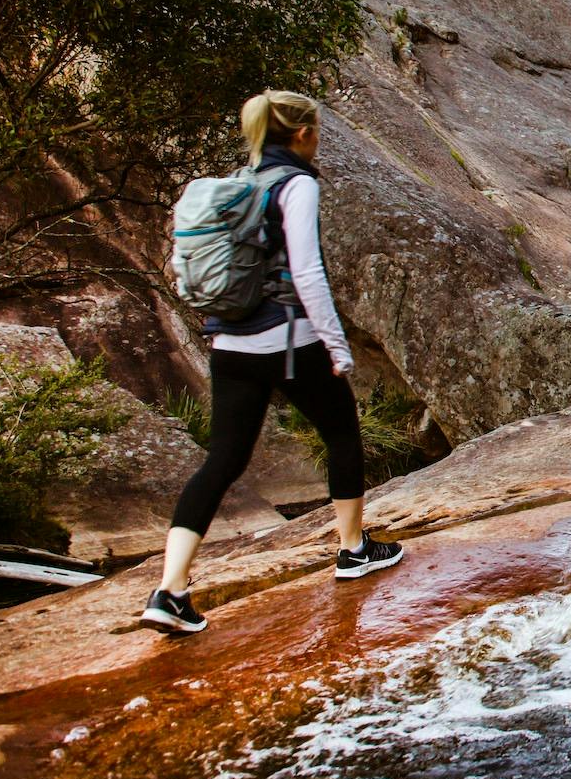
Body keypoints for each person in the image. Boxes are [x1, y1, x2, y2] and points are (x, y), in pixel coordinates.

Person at [140, 91, 402, 635]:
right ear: (303, 134)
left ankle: (170, 591)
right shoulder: (297, 184)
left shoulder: (240, 184)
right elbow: (307, 272)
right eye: (317, 130)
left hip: (230, 345)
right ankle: (353, 550)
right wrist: (336, 344)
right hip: (288, 342)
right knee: (342, 432)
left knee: (222, 462)